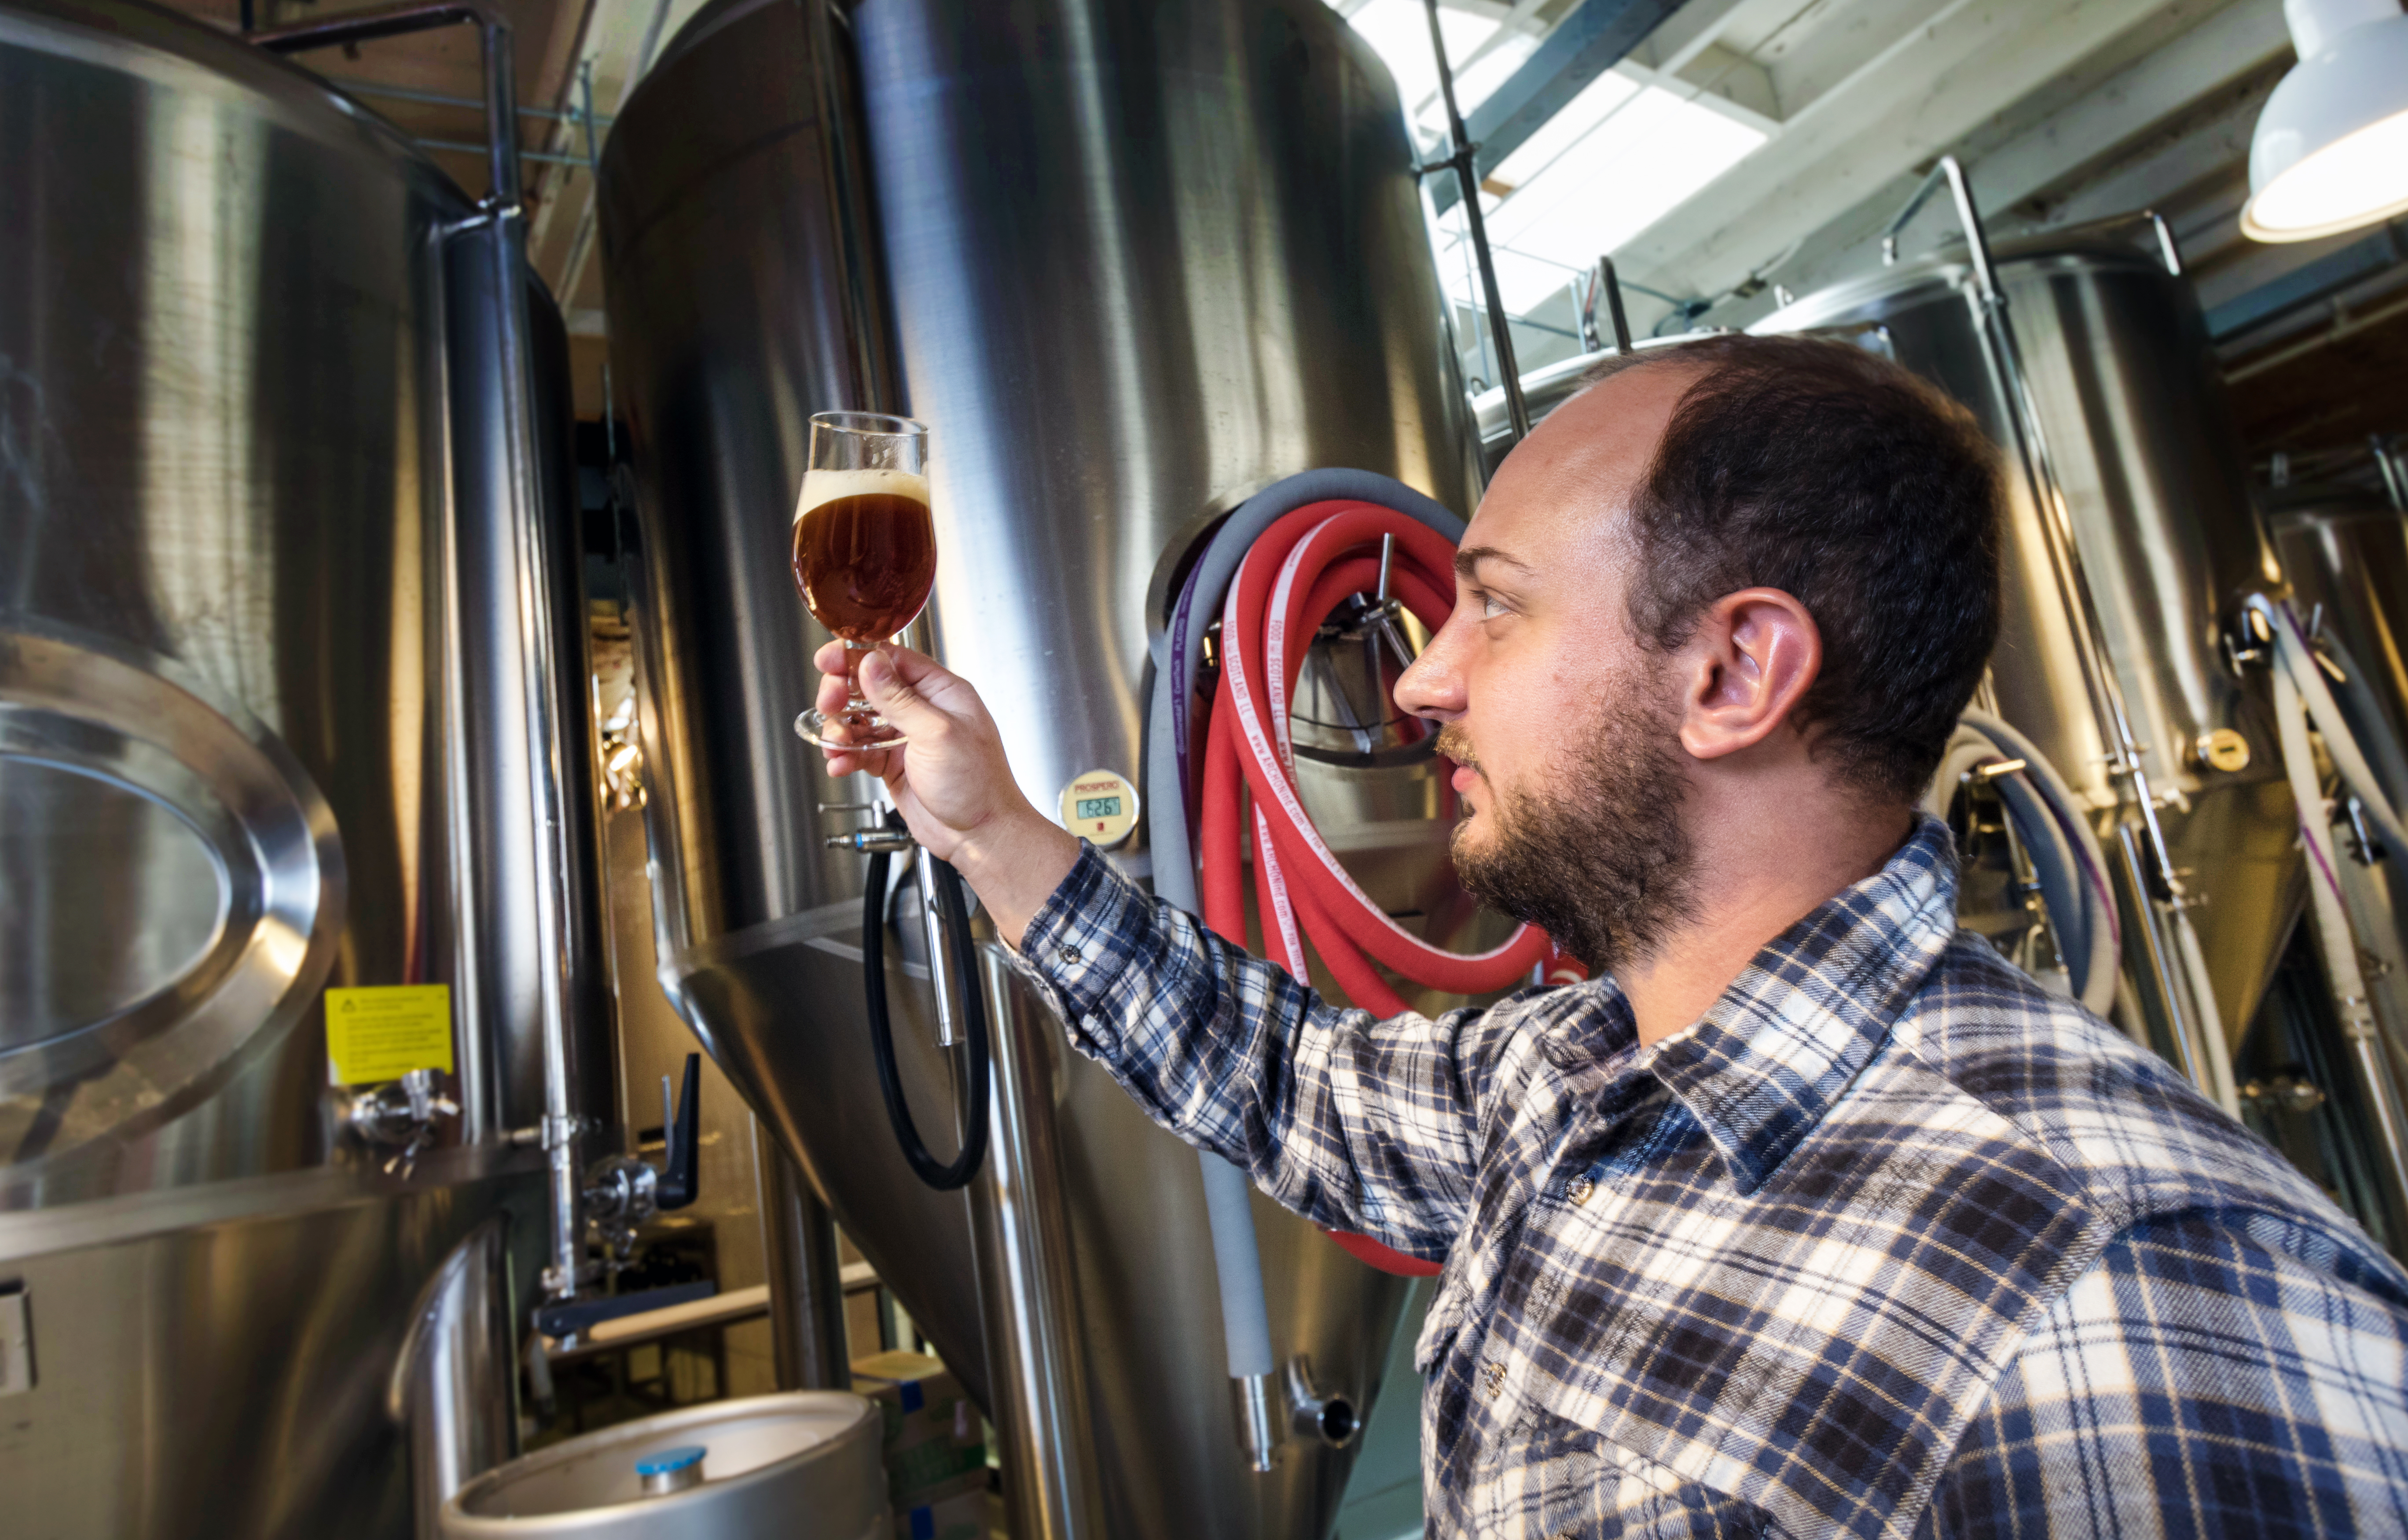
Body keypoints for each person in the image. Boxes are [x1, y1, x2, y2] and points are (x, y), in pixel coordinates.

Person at [814, 334, 2408, 1536]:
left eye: (1493, 605)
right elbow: (1276, 1076)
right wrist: (988, 828)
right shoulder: (1567, 1078)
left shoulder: (2131, 1293)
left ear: (1734, 674)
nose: (1424, 680)